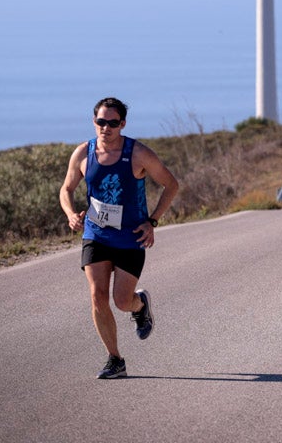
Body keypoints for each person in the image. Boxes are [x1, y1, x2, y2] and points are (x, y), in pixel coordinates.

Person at [59, 97, 180, 379]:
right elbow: (66, 189)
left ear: (122, 124)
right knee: (97, 296)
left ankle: (140, 306)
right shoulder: (83, 153)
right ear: (94, 121)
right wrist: (70, 214)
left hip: (130, 237)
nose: (106, 127)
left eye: (113, 123)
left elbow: (171, 184)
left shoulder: (138, 153)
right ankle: (115, 359)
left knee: (121, 301)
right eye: (101, 121)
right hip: (96, 233)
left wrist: (152, 221)